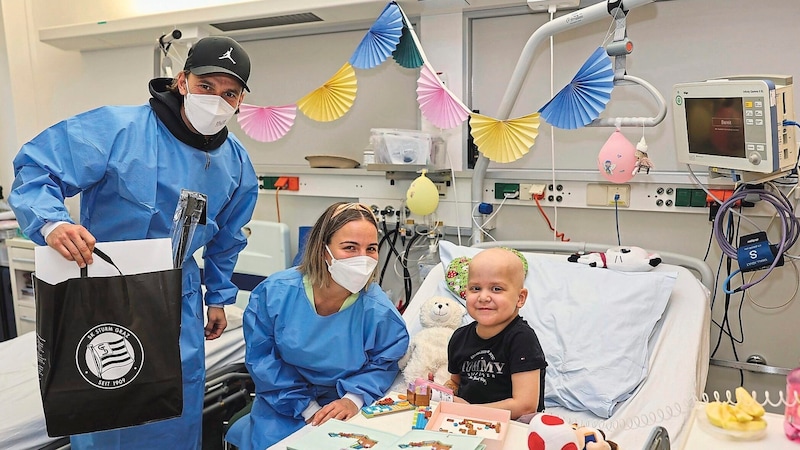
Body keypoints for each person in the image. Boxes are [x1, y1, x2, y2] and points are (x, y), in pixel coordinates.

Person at [9, 35, 259, 449]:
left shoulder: (236, 162)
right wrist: (52, 224)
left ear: (240, 102)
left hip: (175, 294)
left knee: (174, 405)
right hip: (102, 288)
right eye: (206, 87)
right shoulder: (117, 128)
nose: (217, 99)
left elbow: (228, 237)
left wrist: (218, 297)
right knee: (105, 399)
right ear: (182, 81)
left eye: (229, 93)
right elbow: (37, 168)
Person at [228, 202, 410, 449]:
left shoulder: (379, 313)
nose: (363, 259)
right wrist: (308, 408)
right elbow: (263, 360)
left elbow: (384, 364)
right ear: (324, 250)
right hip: (283, 402)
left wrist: (353, 400)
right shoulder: (274, 295)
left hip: (344, 405)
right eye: (349, 248)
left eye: (371, 249)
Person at [445, 247, 547, 420]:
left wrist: (471, 411)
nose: (483, 297)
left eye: (496, 289)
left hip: (515, 425)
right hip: (466, 422)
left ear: (520, 298)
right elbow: (455, 382)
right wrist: (441, 393)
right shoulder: (459, 338)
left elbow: (525, 406)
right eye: (475, 288)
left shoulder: (521, 339)